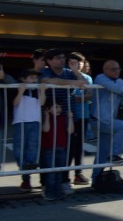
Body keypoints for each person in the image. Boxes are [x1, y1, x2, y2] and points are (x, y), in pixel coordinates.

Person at [40, 48, 87, 195]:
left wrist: (76, 71)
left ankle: (63, 181)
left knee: (67, 150)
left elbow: (84, 83)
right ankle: (46, 184)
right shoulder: (45, 71)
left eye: (62, 57)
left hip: (69, 116)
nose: (62, 60)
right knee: (48, 152)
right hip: (50, 116)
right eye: (57, 58)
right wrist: (72, 83)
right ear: (49, 60)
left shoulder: (68, 71)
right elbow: (48, 81)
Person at [91, 60, 123, 187]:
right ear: (105, 69)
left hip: (108, 120)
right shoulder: (100, 78)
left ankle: (96, 179)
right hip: (99, 119)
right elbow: (118, 88)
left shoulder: (117, 81)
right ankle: (114, 154)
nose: (117, 71)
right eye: (113, 69)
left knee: (102, 150)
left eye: (118, 69)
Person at [12, 69, 45, 192]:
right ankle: (25, 172)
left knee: (32, 146)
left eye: (35, 78)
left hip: (35, 121)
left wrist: (42, 91)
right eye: (31, 78)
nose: (34, 81)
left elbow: (42, 103)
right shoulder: (18, 88)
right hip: (20, 121)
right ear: (23, 79)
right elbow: (15, 103)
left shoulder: (36, 90)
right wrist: (21, 91)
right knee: (19, 148)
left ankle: (28, 172)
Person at [65, 52, 93, 186]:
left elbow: (89, 94)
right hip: (69, 115)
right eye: (72, 63)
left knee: (79, 146)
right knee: (67, 146)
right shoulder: (65, 75)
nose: (76, 65)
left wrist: (78, 73)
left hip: (83, 115)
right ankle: (64, 175)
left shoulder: (86, 77)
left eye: (79, 62)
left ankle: (78, 173)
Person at [40, 98, 74, 201]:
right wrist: (46, 116)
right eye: (55, 107)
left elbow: (70, 131)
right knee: (51, 172)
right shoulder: (48, 118)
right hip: (49, 148)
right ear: (48, 109)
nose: (59, 109)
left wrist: (71, 118)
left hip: (61, 147)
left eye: (59, 107)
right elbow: (46, 129)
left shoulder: (63, 118)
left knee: (59, 171)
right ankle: (49, 192)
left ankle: (58, 192)